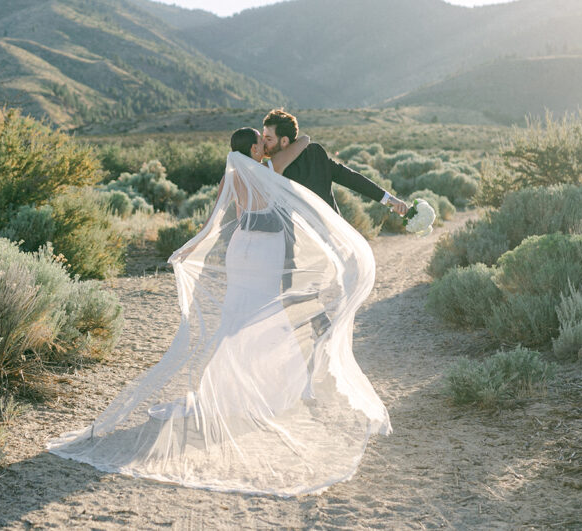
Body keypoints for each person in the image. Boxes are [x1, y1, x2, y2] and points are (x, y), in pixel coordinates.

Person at [48, 126, 391, 497]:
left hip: (240, 250)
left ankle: (237, 388)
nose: (266, 145)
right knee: (263, 318)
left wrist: (188, 248)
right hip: (265, 251)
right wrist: (300, 139)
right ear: (254, 149)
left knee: (238, 320)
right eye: (262, 142)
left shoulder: (231, 174)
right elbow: (296, 151)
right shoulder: (265, 170)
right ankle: (261, 390)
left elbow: (213, 222)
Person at [262, 108, 409, 216]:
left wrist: (390, 199)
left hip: (327, 237)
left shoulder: (313, 155)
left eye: (268, 139)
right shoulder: (271, 166)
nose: (264, 143)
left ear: (284, 141)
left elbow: (350, 178)